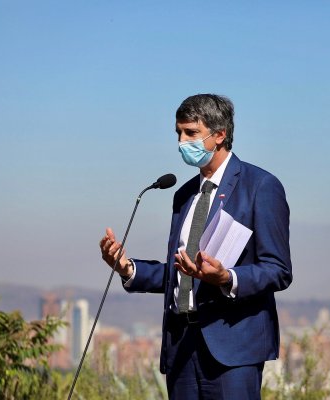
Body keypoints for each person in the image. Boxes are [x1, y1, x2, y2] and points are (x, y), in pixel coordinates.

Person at [99, 94, 292, 399]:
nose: (181, 142)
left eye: (190, 133)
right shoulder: (184, 194)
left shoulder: (260, 186)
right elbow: (181, 272)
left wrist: (227, 277)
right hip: (181, 344)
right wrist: (128, 268)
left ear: (219, 135)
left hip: (232, 348)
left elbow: (278, 270)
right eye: (178, 133)